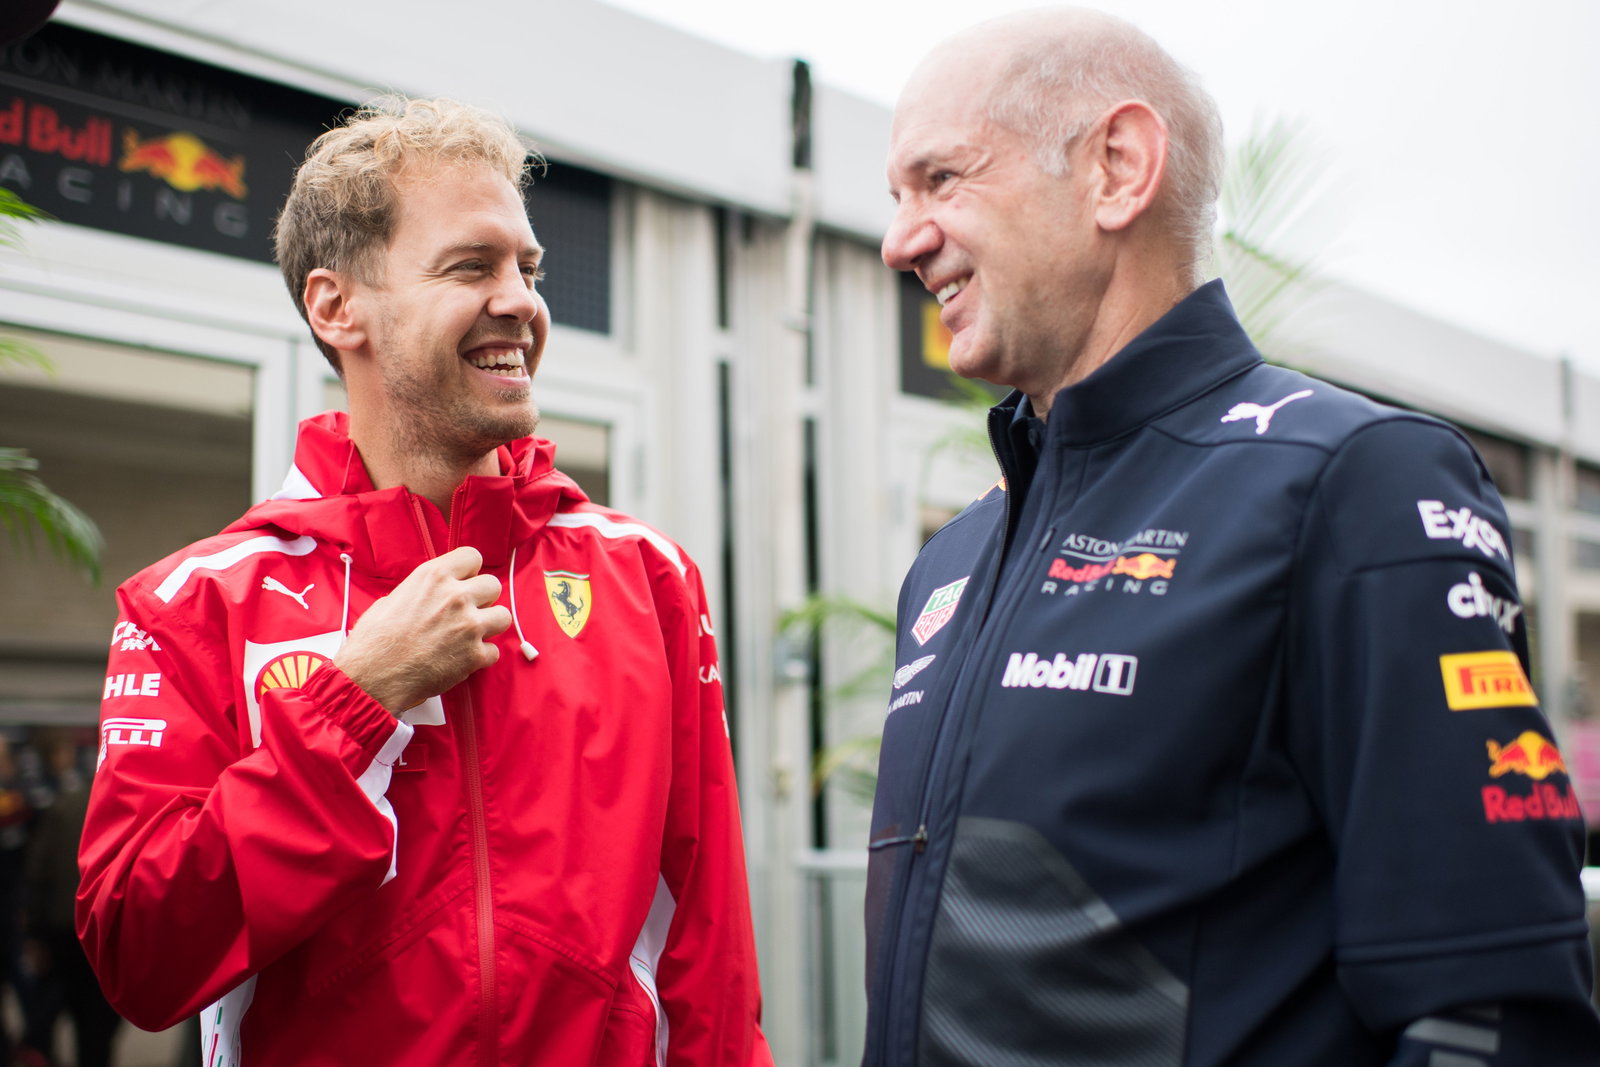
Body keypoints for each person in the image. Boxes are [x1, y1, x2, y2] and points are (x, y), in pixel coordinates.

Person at [864, 8, 1600, 1065]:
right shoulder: (952, 560)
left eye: (941, 180)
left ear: (1118, 167)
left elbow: (1488, 1012)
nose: (900, 239)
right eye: (897, 196)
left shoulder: (1354, 482)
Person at [78, 96, 772, 1067]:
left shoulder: (646, 578)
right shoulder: (196, 603)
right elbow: (138, 955)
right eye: (470, 266)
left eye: (526, 268)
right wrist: (350, 705)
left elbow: (712, 952)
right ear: (335, 306)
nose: (521, 301)